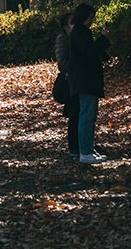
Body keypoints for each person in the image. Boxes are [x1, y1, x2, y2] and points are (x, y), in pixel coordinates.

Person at [68, 3, 111, 164]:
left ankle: (87, 149)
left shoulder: (80, 32)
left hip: (85, 79)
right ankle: (85, 151)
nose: (91, 21)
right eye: (90, 18)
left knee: (89, 115)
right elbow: (89, 51)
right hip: (85, 80)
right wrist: (103, 39)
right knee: (87, 115)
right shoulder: (79, 32)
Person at [54, 12, 79, 157]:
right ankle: (74, 146)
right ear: (65, 27)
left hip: (76, 79)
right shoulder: (63, 40)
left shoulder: (75, 37)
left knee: (79, 113)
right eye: (71, 22)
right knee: (74, 113)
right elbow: (62, 62)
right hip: (70, 81)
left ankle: (80, 144)